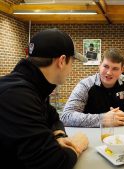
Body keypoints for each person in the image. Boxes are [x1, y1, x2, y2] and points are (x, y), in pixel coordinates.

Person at [0, 28, 89, 169]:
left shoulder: (35, 87)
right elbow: (54, 163)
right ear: (62, 61)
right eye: (73, 61)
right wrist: (77, 144)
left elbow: (53, 118)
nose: (72, 68)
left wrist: (59, 137)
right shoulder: (17, 97)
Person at [61, 48, 124, 127]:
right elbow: (66, 116)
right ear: (99, 66)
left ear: (122, 70)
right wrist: (102, 119)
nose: (109, 73)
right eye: (106, 66)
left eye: (115, 68)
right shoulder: (85, 85)